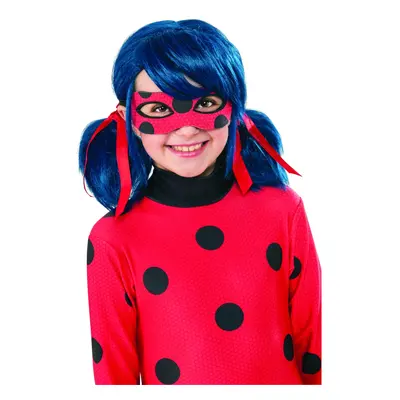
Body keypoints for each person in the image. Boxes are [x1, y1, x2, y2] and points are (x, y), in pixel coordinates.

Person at [79, 19, 322, 385]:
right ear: (128, 118)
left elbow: (314, 340)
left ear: (234, 109)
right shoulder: (113, 239)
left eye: (206, 103)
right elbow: (114, 376)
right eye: (159, 110)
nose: (187, 129)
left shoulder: (283, 210)